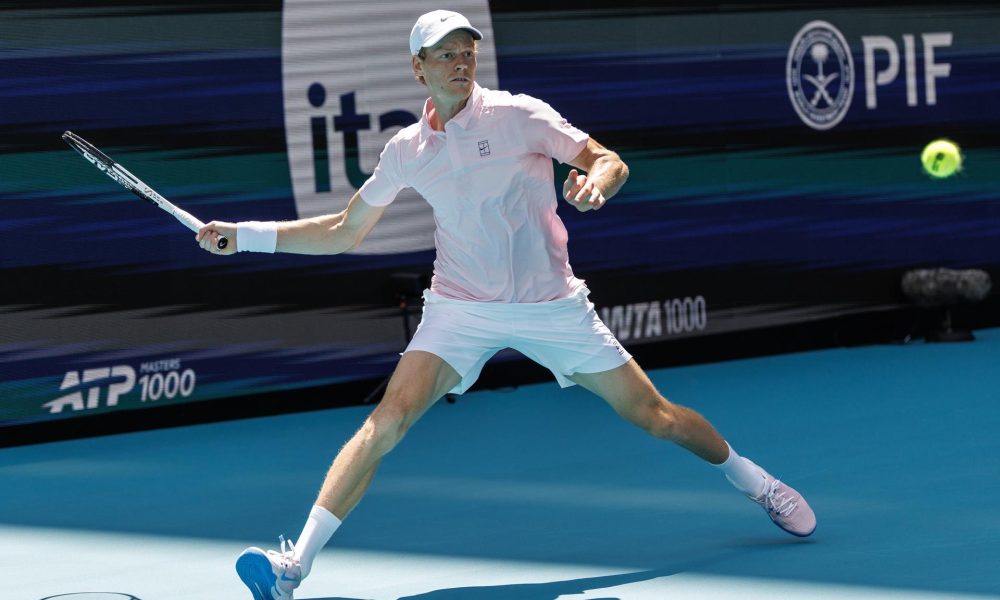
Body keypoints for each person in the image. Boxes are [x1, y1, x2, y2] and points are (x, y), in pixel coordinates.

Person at [197, 10, 816, 600]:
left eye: (467, 52)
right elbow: (343, 231)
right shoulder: (407, 150)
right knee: (388, 421)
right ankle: (292, 567)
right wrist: (245, 235)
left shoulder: (520, 115)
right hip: (460, 306)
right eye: (446, 55)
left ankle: (755, 482)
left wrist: (596, 186)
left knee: (655, 417)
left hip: (551, 304)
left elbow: (607, 160)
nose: (461, 63)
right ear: (420, 68)